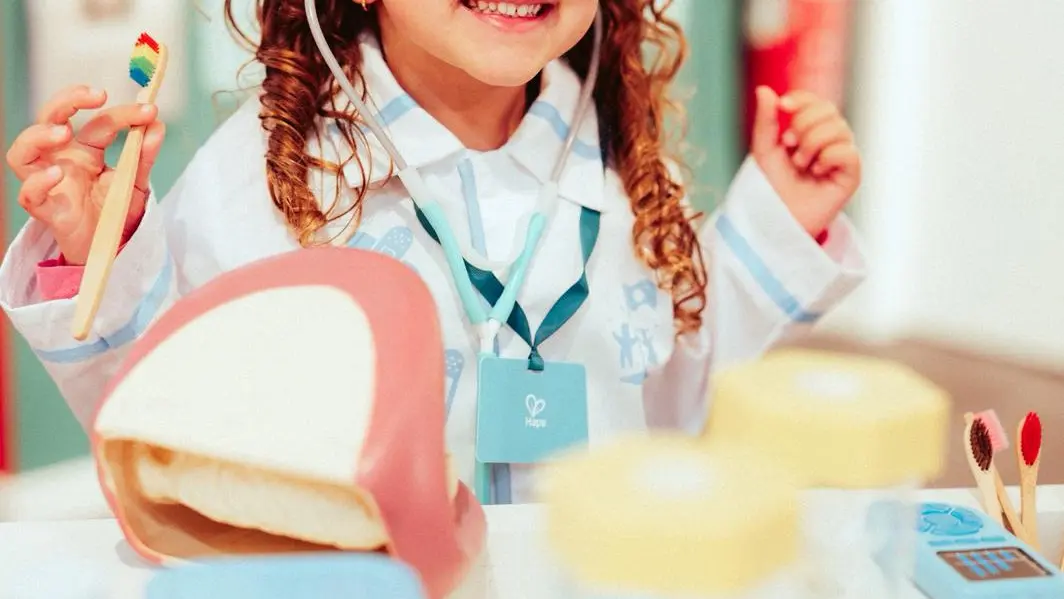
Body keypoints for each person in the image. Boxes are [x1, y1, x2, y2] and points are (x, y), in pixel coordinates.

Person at [1, 0, 865, 504]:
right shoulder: (258, 178)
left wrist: (776, 226)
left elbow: (676, 401)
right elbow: (166, 425)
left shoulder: (628, 172)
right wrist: (100, 253)